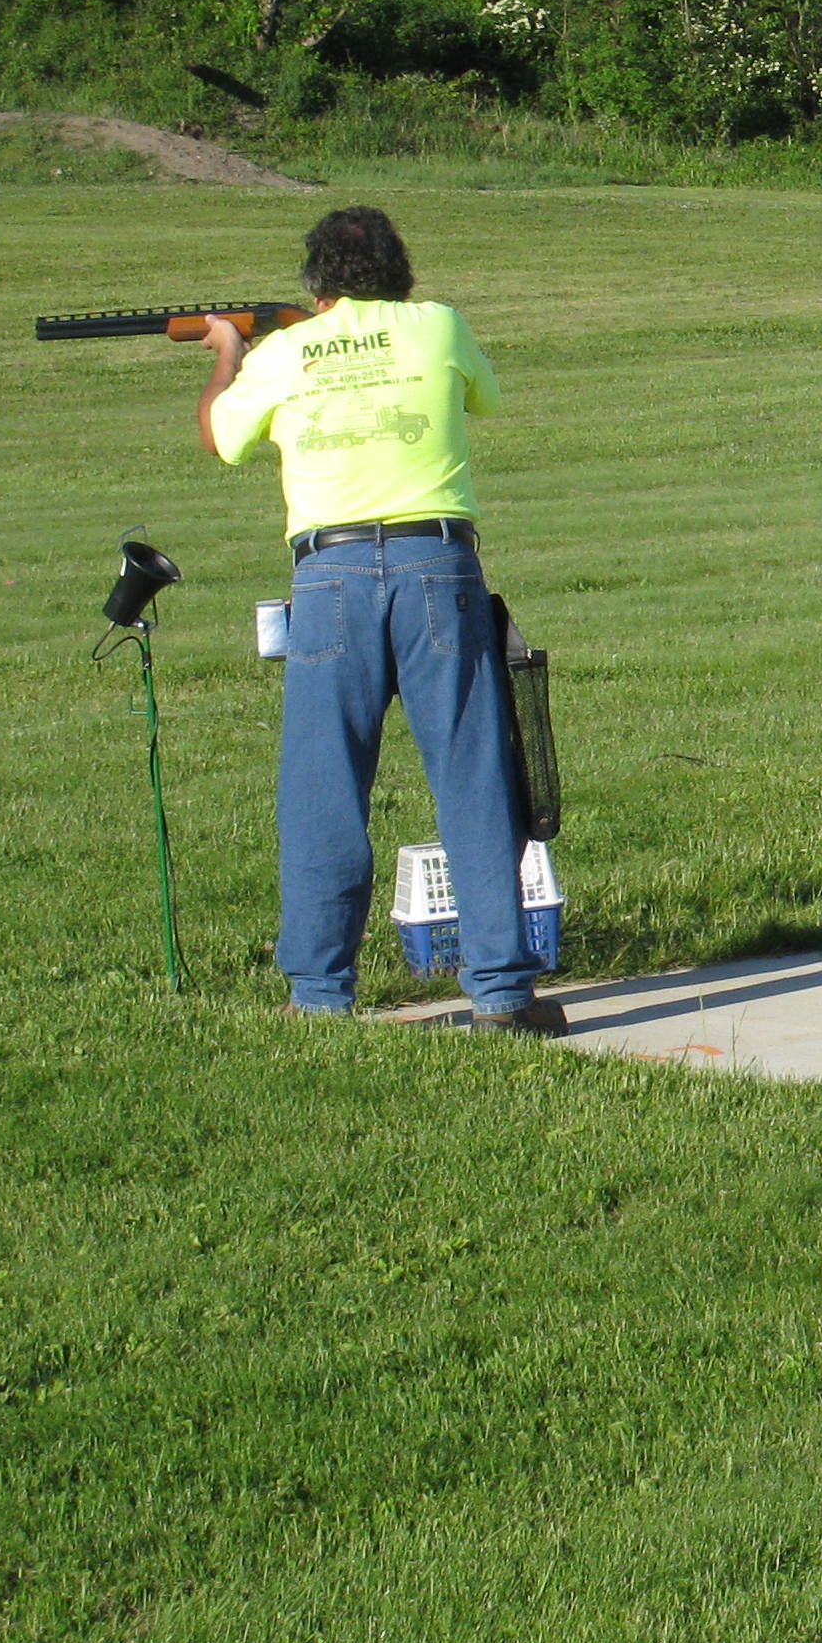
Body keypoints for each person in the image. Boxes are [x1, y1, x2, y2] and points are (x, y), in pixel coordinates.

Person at [194, 207, 561, 1031]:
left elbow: (221, 438)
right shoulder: (439, 327)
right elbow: (486, 397)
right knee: (474, 778)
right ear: (400, 270)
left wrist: (226, 351)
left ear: (316, 283)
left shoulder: (284, 352)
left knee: (323, 790)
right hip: (439, 563)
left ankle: (319, 997)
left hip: (330, 576)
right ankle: (502, 994)